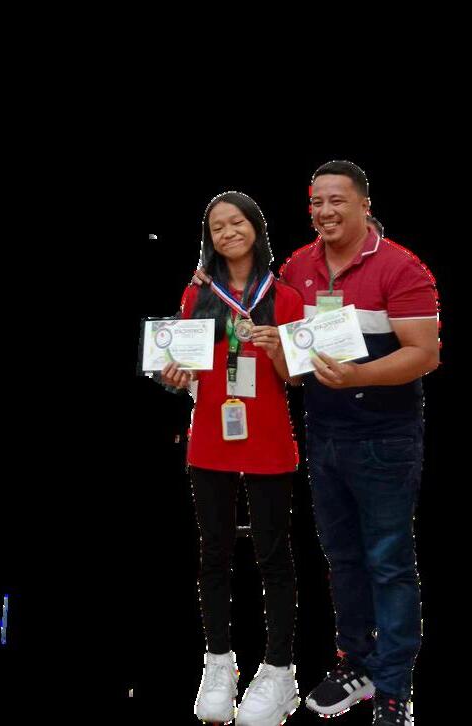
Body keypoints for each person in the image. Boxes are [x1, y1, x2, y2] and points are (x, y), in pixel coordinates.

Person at [193, 162, 439, 726]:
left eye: (337, 201)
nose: (325, 212)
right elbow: (277, 336)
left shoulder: (401, 267)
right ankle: (355, 662)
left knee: (388, 561)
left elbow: (424, 353)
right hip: (324, 432)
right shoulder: (298, 268)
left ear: (363, 205)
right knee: (342, 557)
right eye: (316, 203)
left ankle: (394, 685)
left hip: (385, 435)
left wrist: (359, 377)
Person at [161, 191, 305, 726]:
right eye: (217, 227)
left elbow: (297, 377)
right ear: (209, 238)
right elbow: (186, 367)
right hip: (210, 440)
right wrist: (173, 375)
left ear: (256, 228)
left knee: (274, 555)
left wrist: (276, 349)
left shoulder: (285, 296)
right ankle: (218, 664)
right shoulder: (196, 294)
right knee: (214, 554)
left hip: (268, 439)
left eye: (237, 222)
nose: (228, 232)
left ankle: (279, 669)